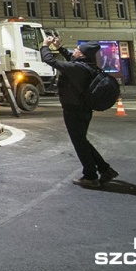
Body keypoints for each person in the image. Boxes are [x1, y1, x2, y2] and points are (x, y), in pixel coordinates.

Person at [40, 37, 118, 188]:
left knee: (79, 143)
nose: (74, 51)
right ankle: (105, 169)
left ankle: (90, 177)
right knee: (82, 141)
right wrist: (60, 48)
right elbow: (71, 58)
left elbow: (50, 60)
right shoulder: (87, 66)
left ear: (81, 54)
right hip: (83, 109)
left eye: (77, 50)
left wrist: (45, 45)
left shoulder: (76, 68)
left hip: (73, 109)